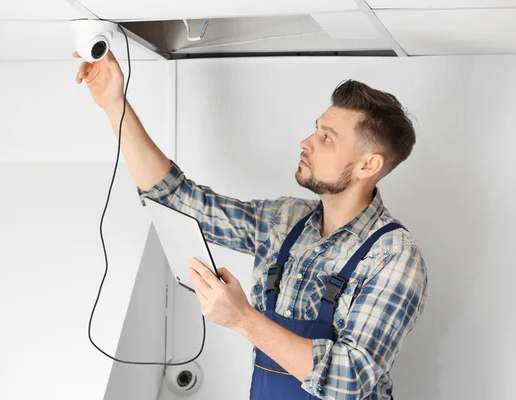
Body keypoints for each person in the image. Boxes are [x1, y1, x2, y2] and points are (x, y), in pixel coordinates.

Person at [73, 49, 428, 400]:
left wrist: (242, 318)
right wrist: (114, 105)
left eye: (327, 138)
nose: (307, 143)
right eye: (315, 130)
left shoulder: (394, 256)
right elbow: (177, 199)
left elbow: (348, 379)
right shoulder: (283, 221)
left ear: (368, 166)